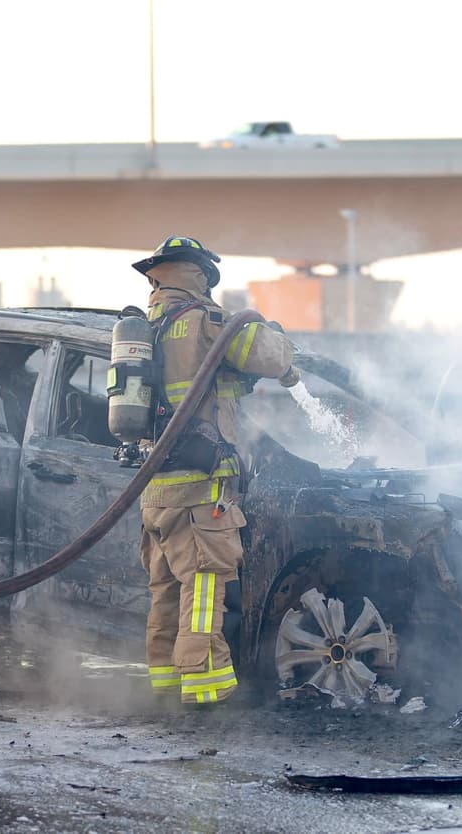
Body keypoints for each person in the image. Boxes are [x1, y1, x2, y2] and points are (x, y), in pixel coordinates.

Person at [131, 235, 299, 706]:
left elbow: (205, 389)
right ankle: (205, 692)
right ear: (201, 274)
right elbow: (271, 357)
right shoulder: (210, 322)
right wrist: (279, 340)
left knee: (166, 590)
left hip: (155, 488)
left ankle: (165, 687)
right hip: (201, 489)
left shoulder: (147, 328)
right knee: (204, 588)